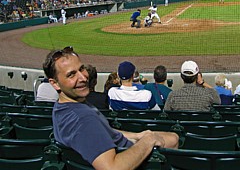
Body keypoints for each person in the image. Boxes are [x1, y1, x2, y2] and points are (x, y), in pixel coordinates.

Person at [43, 47, 179, 169]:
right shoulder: (83, 119)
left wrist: (137, 135)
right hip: (130, 160)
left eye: (81, 69)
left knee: (170, 137)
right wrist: (147, 141)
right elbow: (111, 168)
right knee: (174, 139)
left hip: (118, 147)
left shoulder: (63, 107)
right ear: (55, 83)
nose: (83, 77)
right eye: (71, 74)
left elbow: (100, 131)